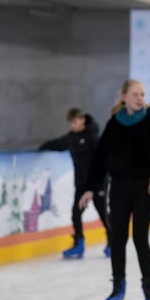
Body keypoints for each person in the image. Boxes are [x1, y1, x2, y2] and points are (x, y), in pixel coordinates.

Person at [79, 78, 150, 300]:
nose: (140, 98)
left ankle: (149, 286)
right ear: (124, 97)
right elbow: (99, 159)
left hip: (144, 187)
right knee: (118, 238)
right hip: (119, 187)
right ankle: (118, 285)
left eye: (142, 94)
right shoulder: (114, 124)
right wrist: (90, 187)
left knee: (140, 238)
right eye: (135, 94)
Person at [39, 108, 110, 259]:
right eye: (71, 123)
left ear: (82, 119)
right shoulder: (72, 137)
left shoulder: (94, 136)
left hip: (97, 183)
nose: (73, 126)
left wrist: (100, 183)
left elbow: (102, 161)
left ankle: (112, 243)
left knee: (103, 213)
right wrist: (41, 147)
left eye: (75, 122)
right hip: (81, 185)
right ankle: (79, 244)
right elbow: (58, 144)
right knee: (76, 214)